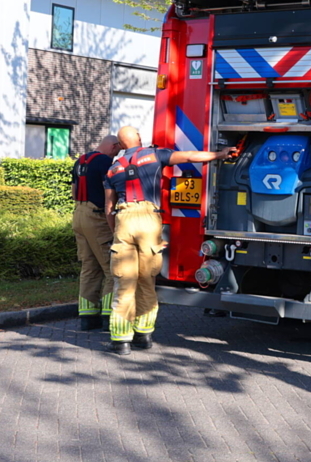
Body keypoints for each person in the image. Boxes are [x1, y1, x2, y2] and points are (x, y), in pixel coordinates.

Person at [103, 126, 233, 355]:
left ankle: (120, 341)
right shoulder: (155, 155)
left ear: (121, 145)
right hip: (148, 220)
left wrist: (116, 231)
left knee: (123, 283)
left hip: (123, 220)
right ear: (139, 139)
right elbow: (190, 156)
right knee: (146, 281)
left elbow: (108, 208)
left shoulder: (112, 170)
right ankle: (143, 336)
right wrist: (220, 154)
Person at [71, 135, 122, 331]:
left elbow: (74, 192)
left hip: (79, 214)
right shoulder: (106, 163)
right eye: (118, 151)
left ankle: (87, 317)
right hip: (97, 218)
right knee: (111, 268)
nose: (116, 155)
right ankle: (109, 316)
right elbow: (110, 193)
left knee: (89, 267)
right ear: (113, 146)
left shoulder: (80, 161)